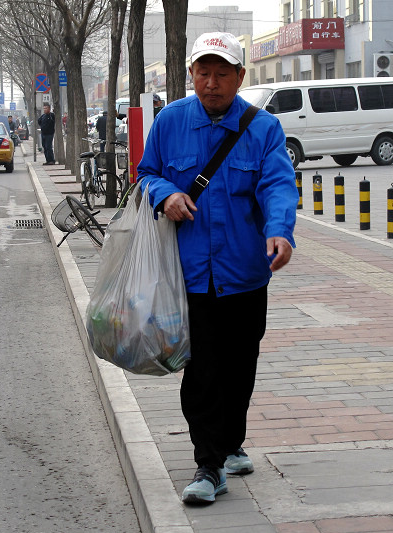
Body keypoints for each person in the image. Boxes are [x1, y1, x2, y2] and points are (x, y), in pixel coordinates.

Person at [137, 32, 298, 504]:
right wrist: (165, 194)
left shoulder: (263, 128)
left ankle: (230, 443)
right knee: (202, 369)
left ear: (240, 77)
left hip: (246, 270)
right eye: (203, 73)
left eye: (222, 73)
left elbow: (277, 184)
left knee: (240, 365)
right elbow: (146, 172)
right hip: (189, 273)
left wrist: (280, 230)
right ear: (192, 75)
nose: (211, 83)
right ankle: (208, 465)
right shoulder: (170, 122)